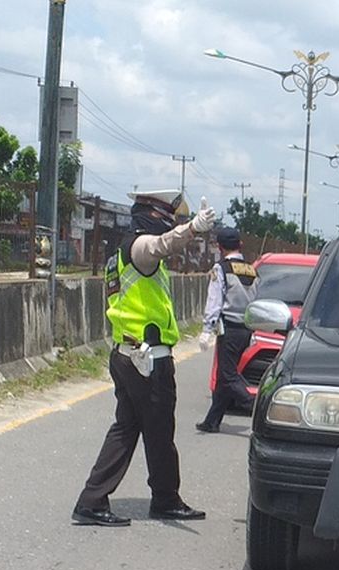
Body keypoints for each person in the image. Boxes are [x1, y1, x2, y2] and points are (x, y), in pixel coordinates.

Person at [71, 189, 216, 527]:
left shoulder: (120, 253)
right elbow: (161, 245)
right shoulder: (139, 248)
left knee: (127, 429)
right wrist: (193, 228)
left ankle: (93, 500)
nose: (171, 222)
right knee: (159, 432)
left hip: (129, 354)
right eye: (168, 216)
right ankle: (164, 500)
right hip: (145, 360)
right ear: (153, 215)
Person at [196, 227, 257, 433]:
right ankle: (212, 421)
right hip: (247, 329)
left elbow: (215, 301)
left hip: (229, 328)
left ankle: (256, 407)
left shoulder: (220, 269)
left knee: (228, 375)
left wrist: (207, 328)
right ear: (240, 245)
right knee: (224, 377)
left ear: (220, 247)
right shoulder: (252, 269)